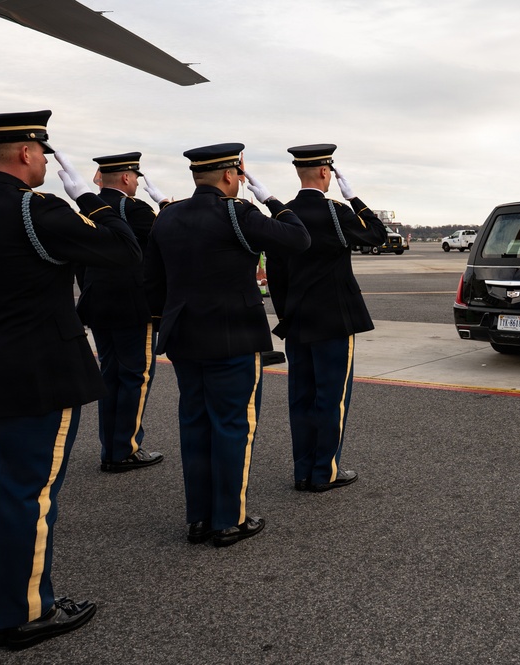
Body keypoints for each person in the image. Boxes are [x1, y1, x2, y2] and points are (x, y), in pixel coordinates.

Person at [0, 110, 142, 650]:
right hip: (41, 373)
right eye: (44, 153)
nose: (47, 162)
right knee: (29, 495)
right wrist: (95, 201)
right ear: (26, 152)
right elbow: (122, 252)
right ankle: (24, 613)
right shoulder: (35, 208)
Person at [144, 143, 310, 547]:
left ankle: (198, 519)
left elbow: (152, 280)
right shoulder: (238, 213)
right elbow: (299, 239)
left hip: (184, 336)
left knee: (195, 425)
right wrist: (271, 198)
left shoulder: (168, 216)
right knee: (233, 426)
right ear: (232, 175)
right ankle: (228, 520)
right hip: (232, 335)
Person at [265, 144, 386, 493]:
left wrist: (286, 313)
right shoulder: (335, 212)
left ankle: (302, 470)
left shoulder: (284, 214)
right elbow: (376, 234)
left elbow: (276, 271)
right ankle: (325, 471)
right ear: (324, 172)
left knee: (301, 396)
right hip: (333, 319)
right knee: (331, 396)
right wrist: (356, 199)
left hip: (298, 319)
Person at [78, 152, 168, 472]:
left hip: (98, 304)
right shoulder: (136, 209)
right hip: (133, 306)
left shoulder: (85, 209)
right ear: (128, 178)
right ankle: (126, 449)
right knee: (135, 377)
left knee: (111, 375)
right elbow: (167, 240)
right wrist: (166, 206)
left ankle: (111, 448)